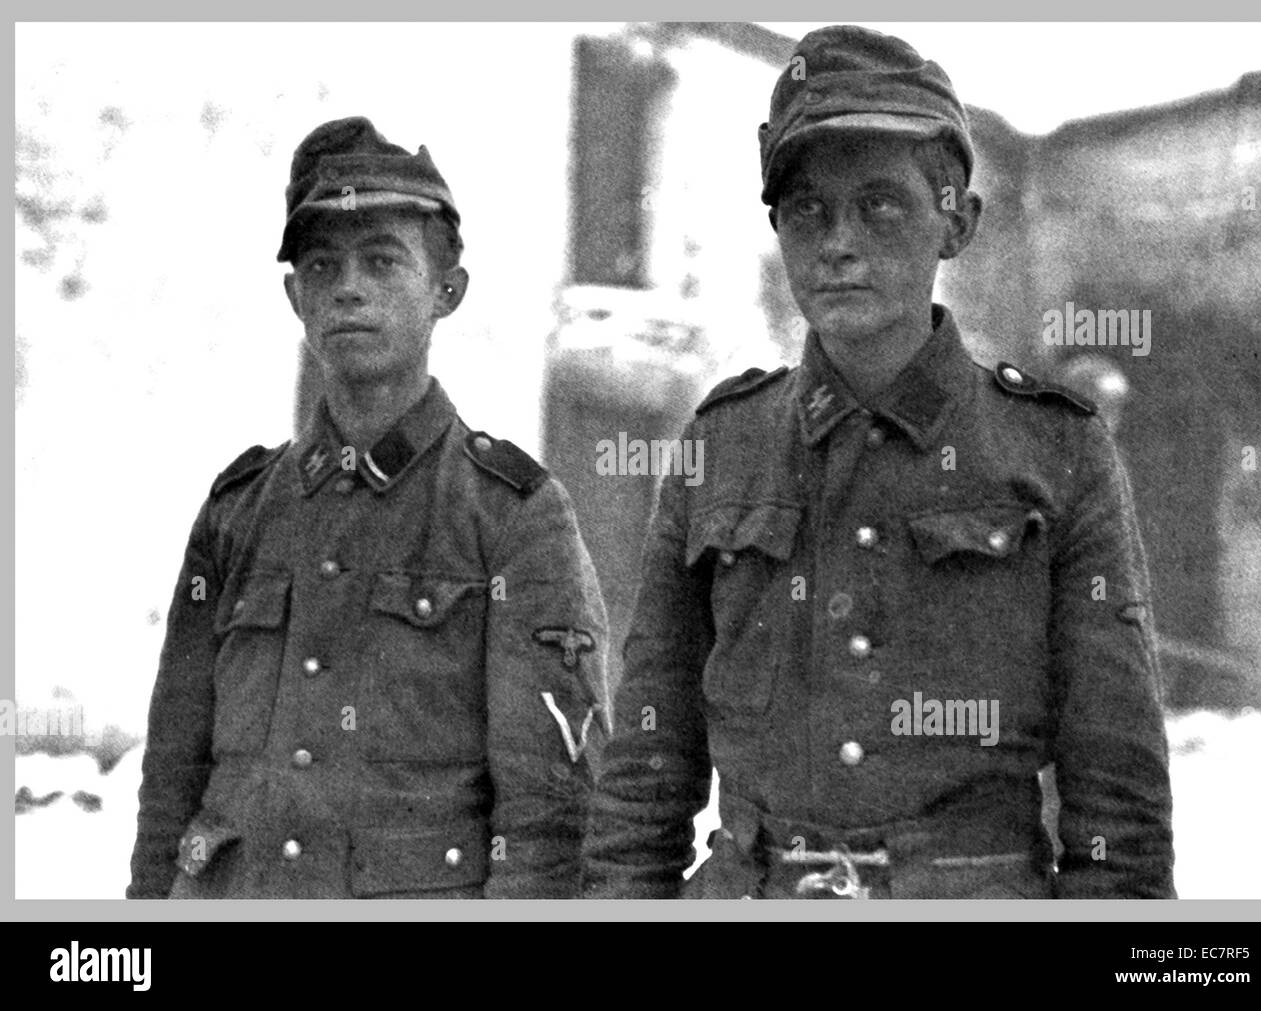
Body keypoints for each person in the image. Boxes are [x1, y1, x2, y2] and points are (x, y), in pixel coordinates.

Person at [582, 26, 1175, 899]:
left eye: (882, 206)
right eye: (806, 210)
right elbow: (645, 771)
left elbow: (1117, 804)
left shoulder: (1054, 452)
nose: (839, 242)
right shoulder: (720, 447)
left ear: (957, 222)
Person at [128, 117, 609, 899]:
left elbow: (551, 819)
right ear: (296, 297)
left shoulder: (515, 517)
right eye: (323, 265)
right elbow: (169, 786)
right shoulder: (238, 512)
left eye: (382, 261)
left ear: (446, 291)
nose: (348, 287)